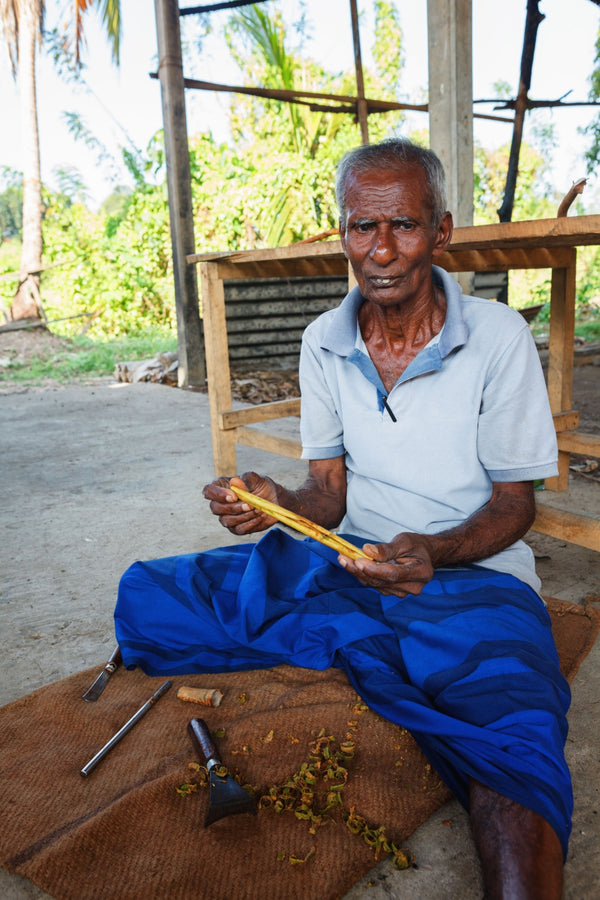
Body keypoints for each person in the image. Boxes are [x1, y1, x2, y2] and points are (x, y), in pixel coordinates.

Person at [115, 138, 572, 898]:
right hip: (345, 560)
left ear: (443, 232)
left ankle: (376, 653)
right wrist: (273, 505)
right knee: (154, 598)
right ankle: (371, 647)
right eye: (363, 227)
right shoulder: (323, 341)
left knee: (516, 740)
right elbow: (325, 491)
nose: (382, 251)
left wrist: (431, 550)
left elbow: (514, 505)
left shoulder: (496, 337)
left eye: (404, 227)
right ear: (345, 233)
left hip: (470, 576)